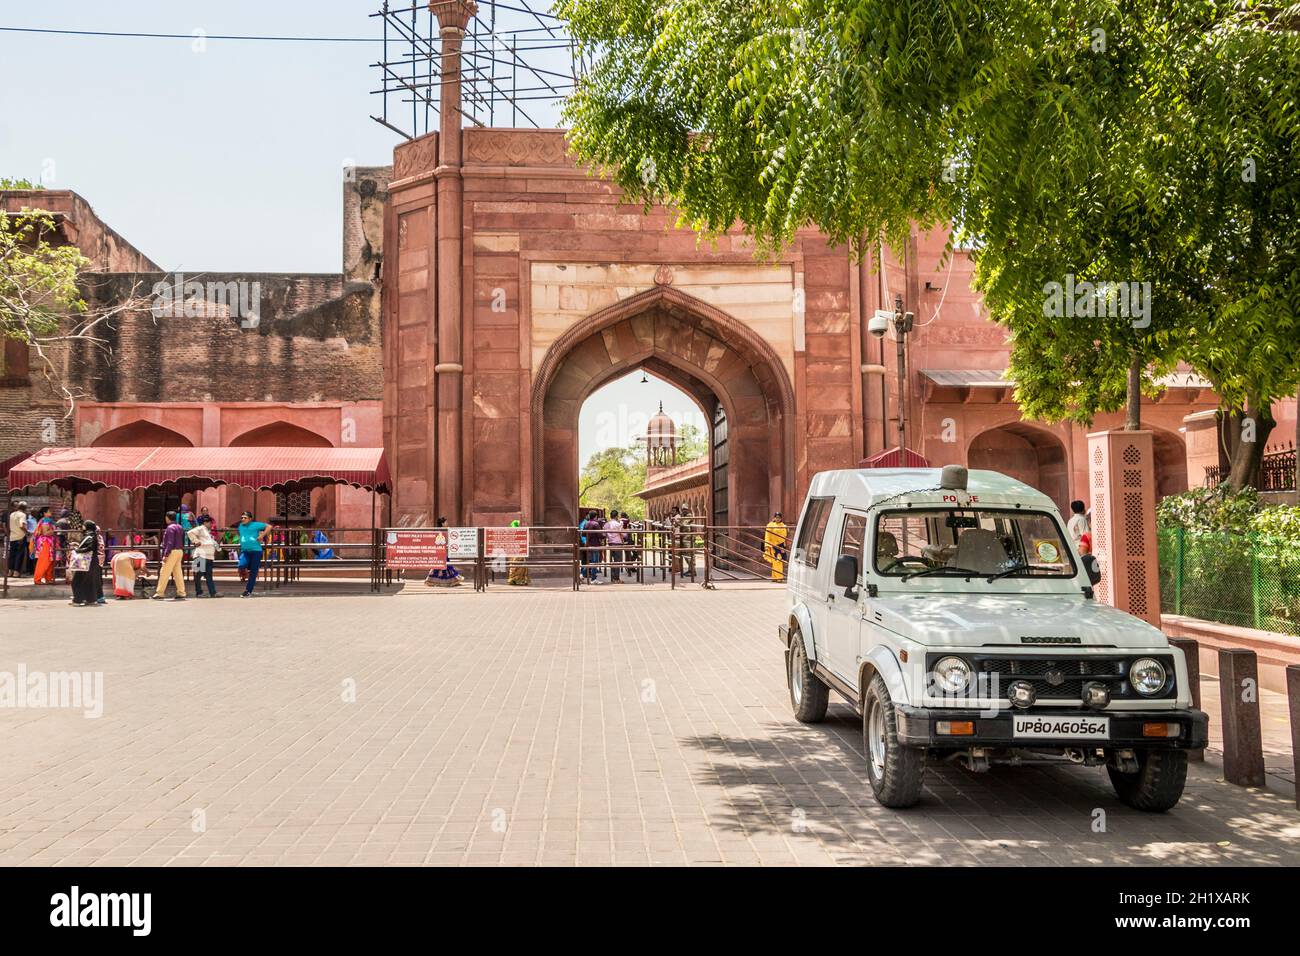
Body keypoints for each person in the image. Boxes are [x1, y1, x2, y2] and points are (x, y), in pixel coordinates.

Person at [152, 511, 187, 600]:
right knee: (178, 573)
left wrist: (166, 554)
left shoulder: (170, 528)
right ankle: (181, 592)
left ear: (168, 518)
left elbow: (170, 542)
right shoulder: (179, 527)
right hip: (179, 551)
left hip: (172, 552)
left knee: (164, 572)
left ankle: (160, 592)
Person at [236, 511, 271, 597]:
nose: (243, 519)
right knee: (241, 565)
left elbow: (269, 526)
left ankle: (248, 591)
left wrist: (262, 535)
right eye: (242, 518)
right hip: (245, 551)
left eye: (245, 518)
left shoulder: (256, 524)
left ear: (250, 519)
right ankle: (247, 570)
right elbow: (239, 533)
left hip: (256, 551)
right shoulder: (240, 526)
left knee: (253, 572)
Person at [67, 521, 101, 607]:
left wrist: (77, 550)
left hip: (86, 562)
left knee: (76, 581)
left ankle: (78, 600)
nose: (82, 527)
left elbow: (90, 548)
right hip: (91, 561)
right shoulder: (92, 535)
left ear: (86, 527)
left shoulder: (89, 536)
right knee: (88, 581)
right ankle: (91, 600)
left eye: (84, 525)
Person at [188, 515, 219, 598]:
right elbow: (190, 532)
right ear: (205, 523)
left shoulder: (207, 531)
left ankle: (213, 593)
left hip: (208, 556)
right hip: (200, 555)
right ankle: (199, 593)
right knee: (198, 575)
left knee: (209, 575)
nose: (211, 524)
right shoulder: (201, 528)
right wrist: (196, 541)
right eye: (209, 522)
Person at [31, 511, 57, 584]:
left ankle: (48, 578)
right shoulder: (45, 521)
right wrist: (55, 530)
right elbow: (46, 533)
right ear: (44, 513)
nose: (51, 512)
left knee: (50, 561)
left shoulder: (49, 521)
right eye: (49, 511)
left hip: (50, 543)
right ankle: (37, 579)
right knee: (44, 561)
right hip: (46, 542)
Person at [580, 511, 605, 584]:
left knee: (590, 562)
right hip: (595, 544)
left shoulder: (586, 523)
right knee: (595, 562)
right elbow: (600, 535)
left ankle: (581, 574)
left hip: (588, 544)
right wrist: (605, 534)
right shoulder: (596, 524)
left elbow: (583, 534)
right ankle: (593, 579)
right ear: (595, 516)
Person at [764, 511, 789, 582]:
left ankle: (774, 577)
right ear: (774, 517)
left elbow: (785, 536)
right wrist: (767, 545)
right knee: (777, 560)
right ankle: (779, 577)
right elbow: (767, 536)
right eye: (776, 517)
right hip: (773, 545)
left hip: (781, 546)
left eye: (779, 518)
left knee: (777, 561)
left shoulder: (783, 525)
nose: (778, 519)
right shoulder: (770, 525)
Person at [603, 511, 626, 583]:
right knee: (618, 561)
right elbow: (623, 534)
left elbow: (604, 534)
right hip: (618, 544)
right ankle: (617, 578)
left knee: (612, 561)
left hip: (610, 543)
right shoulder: (618, 524)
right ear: (616, 516)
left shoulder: (606, 524)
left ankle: (613, 578)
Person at [7, 501, 28, 575]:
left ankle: (10, 571)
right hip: (21, 537)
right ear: (25, 508)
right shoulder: (22, 515)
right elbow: (22, 525)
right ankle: (16, 572)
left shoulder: (12, 514)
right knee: (19, 554)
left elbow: (9, 526)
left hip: (12, 536)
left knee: (12, 554)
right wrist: (27, 532)